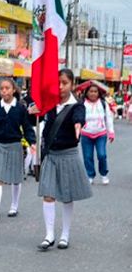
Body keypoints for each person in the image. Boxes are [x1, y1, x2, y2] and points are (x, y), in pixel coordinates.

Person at [34, 69, 92, 251]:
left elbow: (79, 118)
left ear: (72, 85)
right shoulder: (49, 104)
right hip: (51, 154)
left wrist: (78, 125)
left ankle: (65, 235)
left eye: (65, 83)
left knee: (67, 196)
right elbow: (34, 116)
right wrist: (32, 111)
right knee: (48, 194)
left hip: (68, 154)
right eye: (58, 82)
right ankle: (49, 235)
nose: (60, 87)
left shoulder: (77, 106)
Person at [0, 78, 36, 222]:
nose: (4, 91)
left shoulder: (20, 108)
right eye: (2, 88)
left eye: (7, 88)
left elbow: (26, 126)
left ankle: (14, 206)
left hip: (15, 144)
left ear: (13, 90)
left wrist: (32, 141)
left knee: (16, 178)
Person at [81, 84, 115, 185]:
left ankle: (104, 174)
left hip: (101, 133)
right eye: (91, 91)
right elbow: (77, 118)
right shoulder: (82, 104)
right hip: (86, 134)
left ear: (98, 93)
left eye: (95, 91)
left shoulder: (103, 104)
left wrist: (111, 132)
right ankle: (90, 175)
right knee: (87, 157)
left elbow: (109, 118)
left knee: (102, 155)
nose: (93, 93)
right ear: (87, 92)